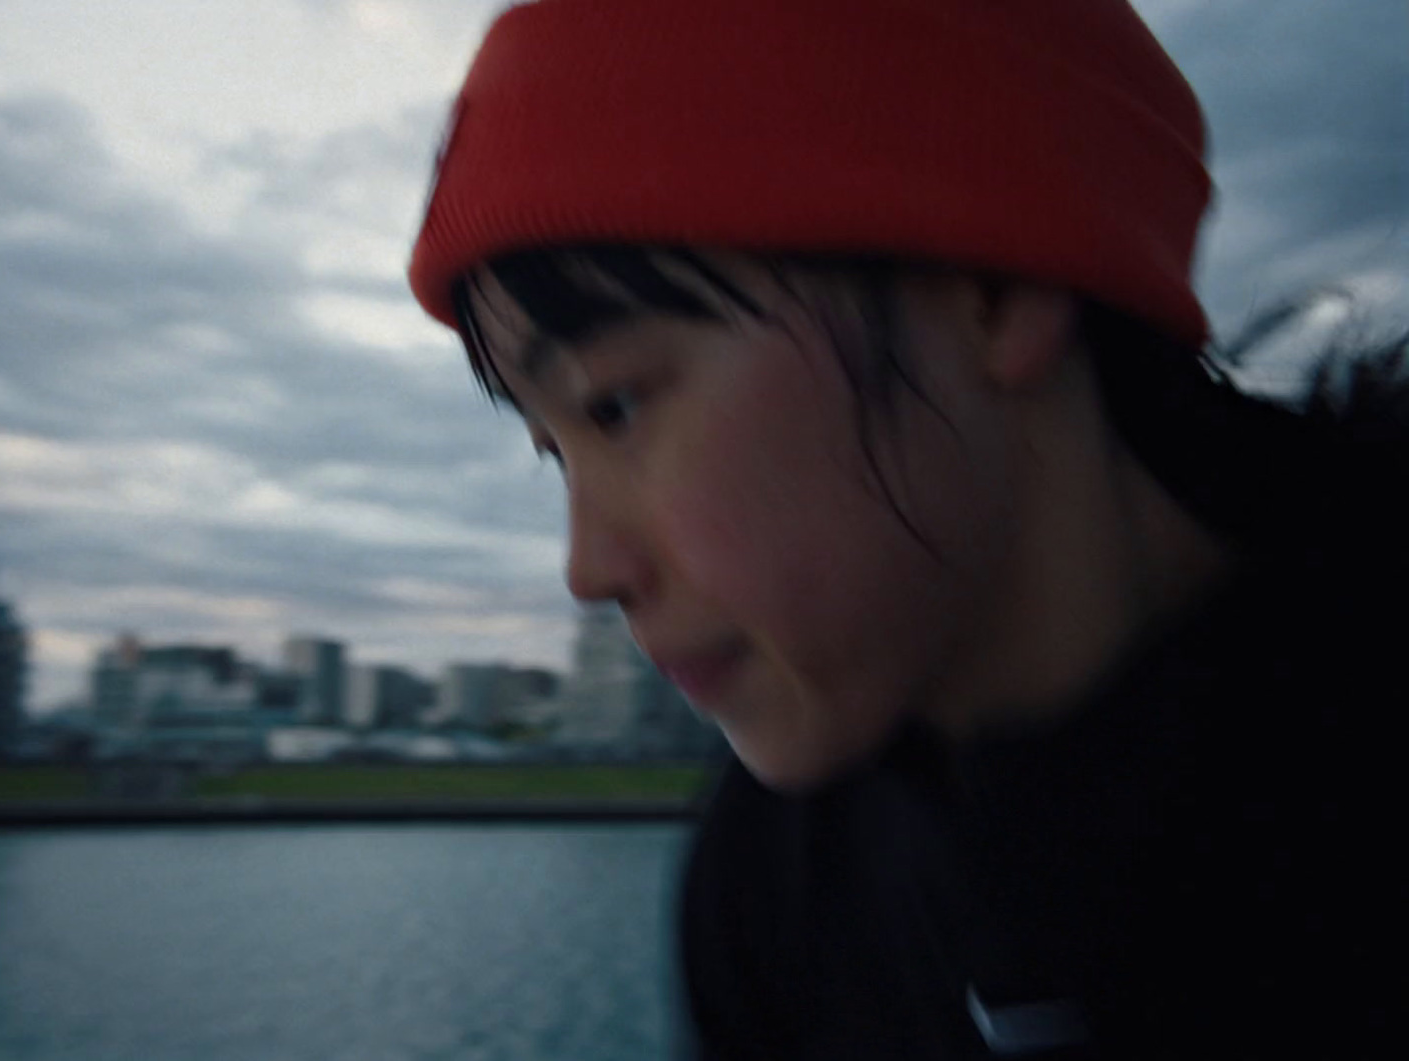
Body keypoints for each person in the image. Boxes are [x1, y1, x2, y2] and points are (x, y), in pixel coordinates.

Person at [406, 0, 1404, 1056]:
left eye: (614, 406)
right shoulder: (772, 880)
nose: (586, 568)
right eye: (556, 453)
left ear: (989, 292)